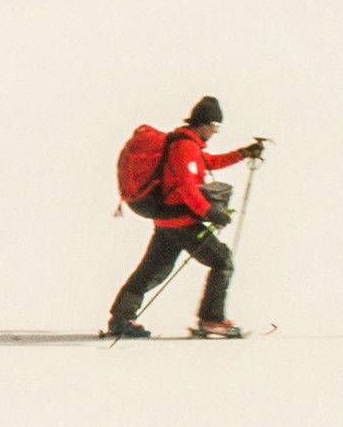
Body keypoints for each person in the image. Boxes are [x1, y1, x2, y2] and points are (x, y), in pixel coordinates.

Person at [110, 95, 267, 339]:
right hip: (180, 221)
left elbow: (209, 163)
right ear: (202, 123)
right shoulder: (185, 146)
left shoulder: (188, 144)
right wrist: (210, 213)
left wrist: (243, 153)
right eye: (214, 126)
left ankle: (121, 319)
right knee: (222, 261)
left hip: (168, 220)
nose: (215, 132)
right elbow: (187, 187)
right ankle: (212, 320)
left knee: (153, 270)